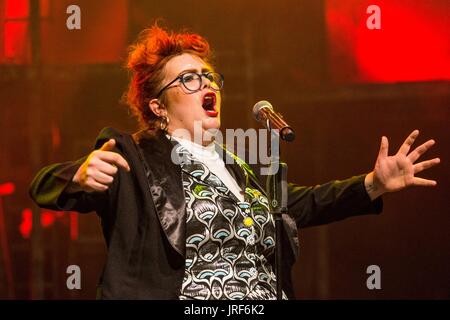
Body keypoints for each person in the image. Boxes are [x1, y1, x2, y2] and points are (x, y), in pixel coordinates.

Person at [29, 24, 440, 300]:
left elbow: (298, 204)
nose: (206, 82)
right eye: (189, 78)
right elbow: (43, 184)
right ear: (158, 106)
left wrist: (372, 184)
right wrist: (78, 176)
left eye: (209, 76)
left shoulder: (236, 168)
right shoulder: (134, 157)